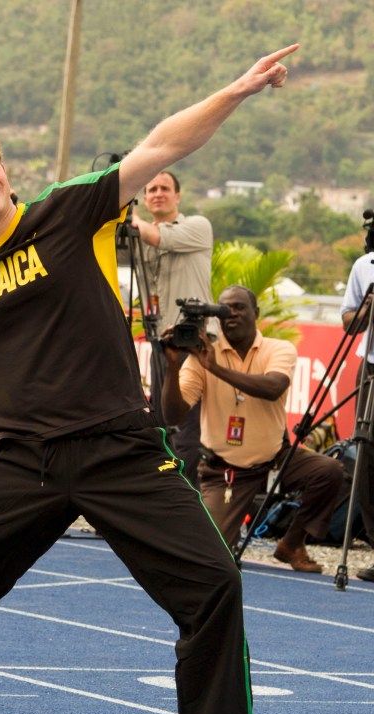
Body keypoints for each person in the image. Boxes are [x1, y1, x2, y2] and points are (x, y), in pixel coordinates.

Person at [0, 45, 300, 714]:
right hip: (22, 462)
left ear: (7, 170)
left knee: (214, 586)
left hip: (118, 449)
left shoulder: (66, 212)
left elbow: (163, 145)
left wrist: (236, 89)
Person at [162, 285, 342, 573]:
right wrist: (172, 366)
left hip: (275, 458)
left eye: (239, 307)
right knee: (211, 556)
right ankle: (227, 538)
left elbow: (273, 388)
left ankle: (292, 543)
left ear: (256, 312)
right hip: (225, 470)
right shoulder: (201, 355)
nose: (231, 313)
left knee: (329, 470)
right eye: (224, 309)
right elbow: (173, 415)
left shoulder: (278, 348)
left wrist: (215, 368)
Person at [132, 171, 215, 486]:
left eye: (164, 188)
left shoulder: (197, 227)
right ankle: (162, 494)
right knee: (161, 422)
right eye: (151, 188)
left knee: (187, 427)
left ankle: (188, 497)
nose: (157, 193)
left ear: (178, 196)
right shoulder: (140, 237)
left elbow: (158, 237)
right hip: (161, 342)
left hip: (193, 341)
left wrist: (129, 214)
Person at [339, 249, 374, 583]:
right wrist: (367, 306)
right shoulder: (365, 265)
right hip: (372, 367)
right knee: (368, 456)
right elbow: (349, 322)